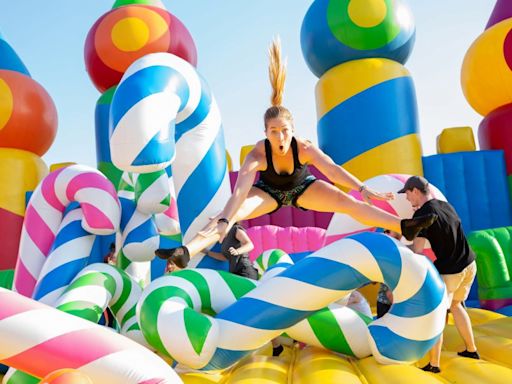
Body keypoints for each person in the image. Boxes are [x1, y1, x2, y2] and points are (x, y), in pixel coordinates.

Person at [155, 38, 436, 269]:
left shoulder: (303, 148)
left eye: (285, 130)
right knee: (224, 218)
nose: (281, 136)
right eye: (274, 131)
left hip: (303, 189)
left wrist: (362, 188)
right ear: (265, 133)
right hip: (268, 193)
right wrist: (228, 218)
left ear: (293, 129)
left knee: (351, 205)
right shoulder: (257, 154)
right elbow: (240, 190)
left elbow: (332, 169)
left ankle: (405, 225)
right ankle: (185, 252)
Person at [399, 176, 479, 374]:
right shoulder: (445, 205)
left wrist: (397, 245)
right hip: (469, 263)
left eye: (407, 195)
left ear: (415, 191)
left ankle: (434, 364)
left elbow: (416, 251)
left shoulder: (423, 215)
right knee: (456, 305)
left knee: (438, 314)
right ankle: (471, 349)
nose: (407, 200)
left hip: (451, 270)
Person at [376, 229, 401, 318]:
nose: (385, 234)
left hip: (391, 300)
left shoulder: (397, 252)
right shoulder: (385, 251)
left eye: (387, 231)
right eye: (385, 232)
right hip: (386, 301)